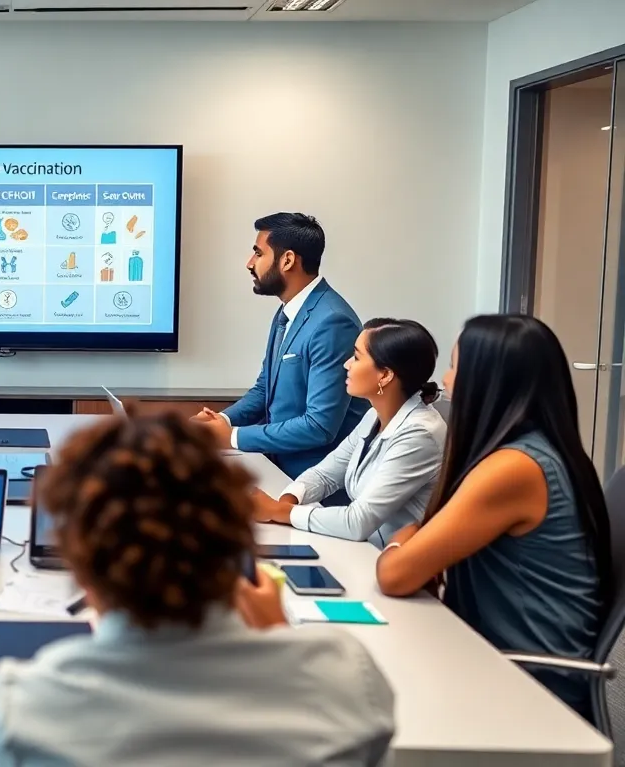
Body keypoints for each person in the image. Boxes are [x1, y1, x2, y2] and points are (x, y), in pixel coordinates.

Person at [0, 412, 395, 767]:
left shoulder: (18, 712)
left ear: (80, 566)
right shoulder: (345, 679)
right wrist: (280, 635)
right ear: (236, 539)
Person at [375, 314, 612, 719]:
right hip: (493, 663)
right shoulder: (536, 450)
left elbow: (395, 575)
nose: (446, 381)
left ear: (487, 380)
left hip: (528, 691)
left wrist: (403, 538)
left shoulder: (515, 468)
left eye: (454, 366)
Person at [192, 213, 368, 481]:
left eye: (258, 253)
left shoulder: (333, 321)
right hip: (276, 467)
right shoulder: (287, 312)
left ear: (287, 260)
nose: (250, 263)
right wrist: (222, 422)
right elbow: (265, 389)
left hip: (313, 484)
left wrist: (232, 437)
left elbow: (319, 426)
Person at [251, 318, 446, 546]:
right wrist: (285, 503)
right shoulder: (374, 415)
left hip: (396, 565)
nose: (346, 364)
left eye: (356, 356)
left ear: (385, 375)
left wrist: (278, 512)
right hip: (365, 553)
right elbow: (325, 475)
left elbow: (357, 522)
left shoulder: (420, 434)